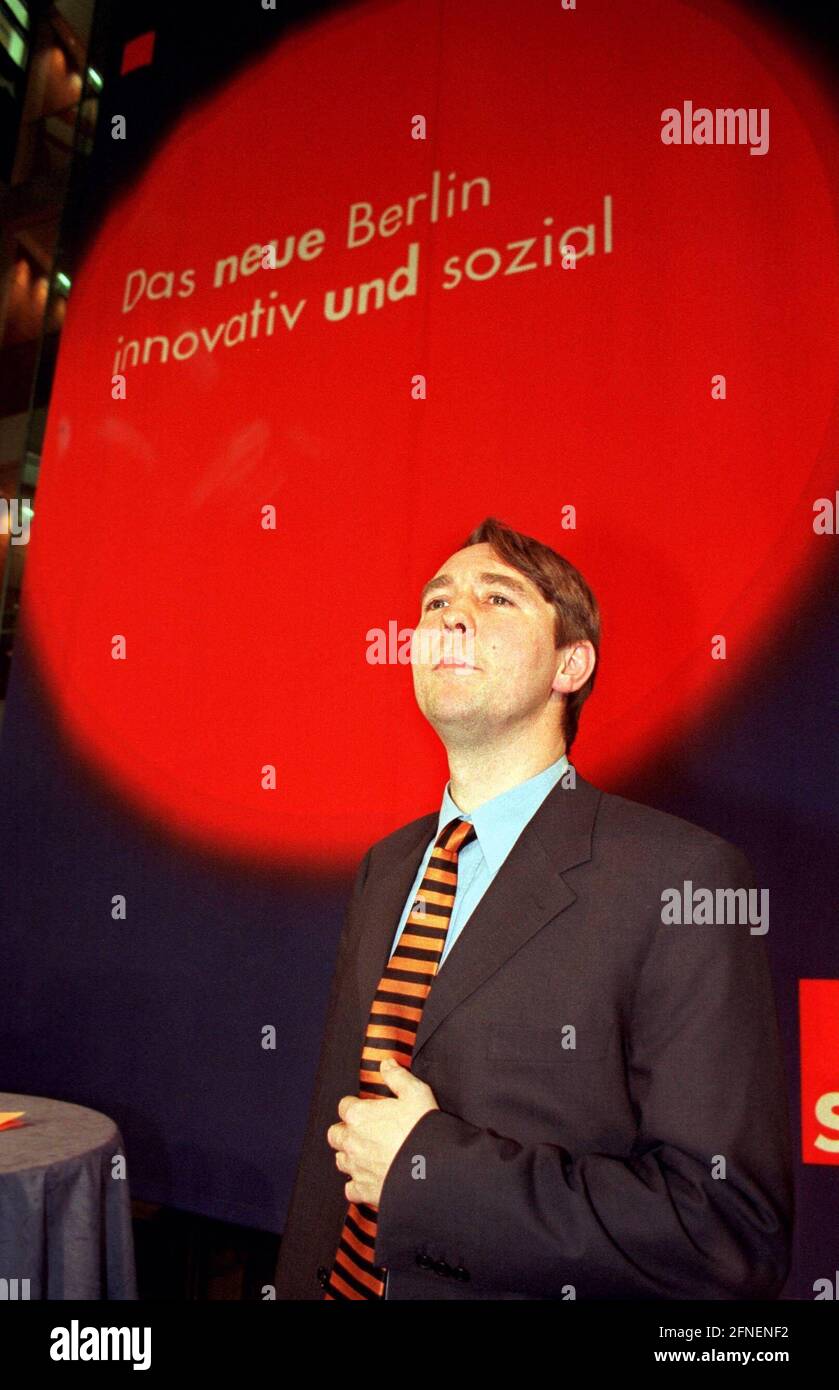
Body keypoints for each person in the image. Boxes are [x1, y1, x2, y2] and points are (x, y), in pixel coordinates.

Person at [273, 516, 793, 1300]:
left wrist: (432, 1171)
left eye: (498, 598)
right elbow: (337, 1146)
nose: (451, 614)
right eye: (435, 599)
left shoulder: (680, 880)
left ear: (570, 664)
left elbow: (723, 1232)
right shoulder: (386, 867)